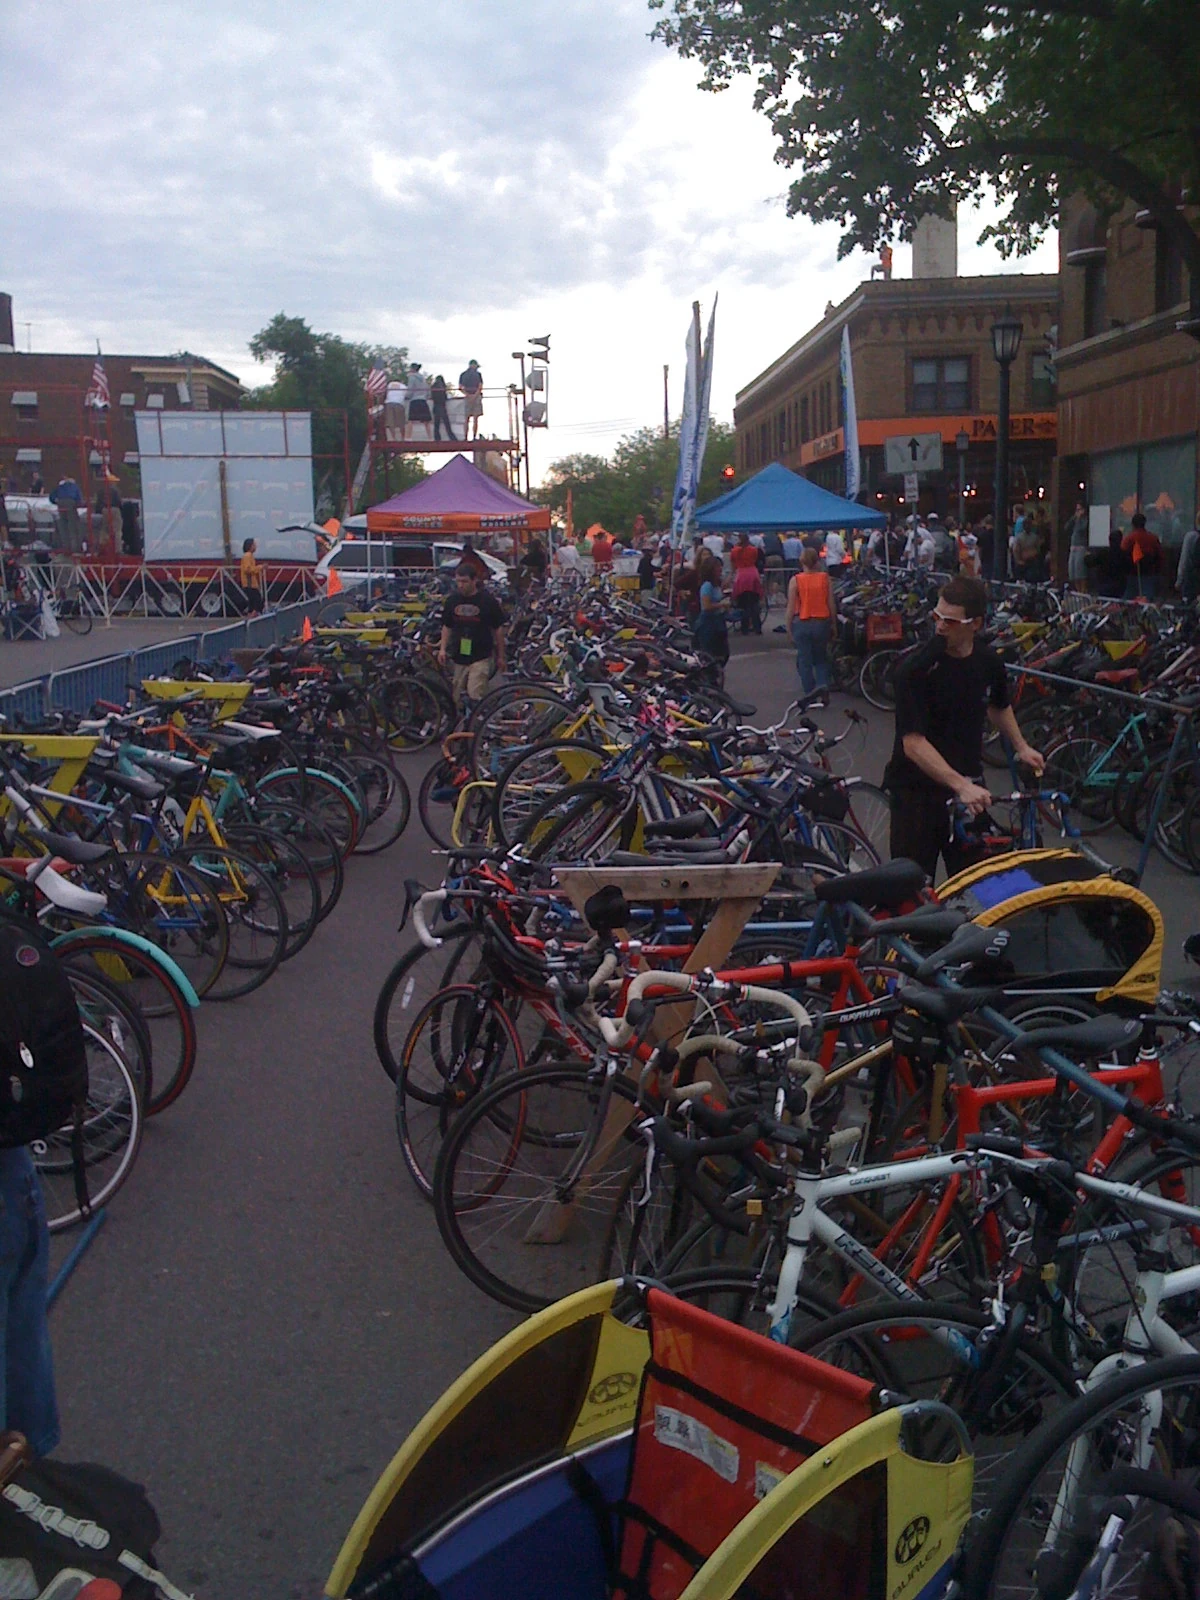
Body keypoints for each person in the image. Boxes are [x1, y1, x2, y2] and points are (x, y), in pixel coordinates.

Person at [884, 575, 1045, 881]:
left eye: (951, 621)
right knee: (913, 888)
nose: (941, 627)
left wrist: (1022, 746)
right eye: (937, 617)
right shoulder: (914, 669)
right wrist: (960, 785)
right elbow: (913, 744)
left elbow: (999, 705)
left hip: (968, 789)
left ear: (976, 624)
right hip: (917, 793)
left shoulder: (987, 662)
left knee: (978, 885)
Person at [438, 559, 506, 708]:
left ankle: (477, 724)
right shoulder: (452, 600)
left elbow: (498, 629)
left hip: (481, 655)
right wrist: (442, 649)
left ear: (475, 580)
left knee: (475, 693)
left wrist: (501, 656)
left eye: (465, 581)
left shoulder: (487, 601)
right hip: (459, 655)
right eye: (458, 581)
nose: (461, 585)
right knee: (456, 697)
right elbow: (447, 626)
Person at [786, 547, 836, 694]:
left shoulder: (795, 580)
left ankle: (810, 692)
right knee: (821, 658)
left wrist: (788, 627)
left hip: (802, 622)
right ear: (817, 561)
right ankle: (822, 687)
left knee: (804, 659)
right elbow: (830, 603)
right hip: (822, 621)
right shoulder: (825, 578)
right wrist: (833, 623)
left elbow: (791, 606)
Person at [693, 554, 730, 665]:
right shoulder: (707, 586)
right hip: (708, 622)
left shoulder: (716, 585)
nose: (720, 570)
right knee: (710, 652)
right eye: (717, 567)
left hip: (718, 620)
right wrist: (721, 604)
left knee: (722, 652)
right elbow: (706, 606)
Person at [1122, 511, 1163, 599]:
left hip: (1132, 573)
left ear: (1132, 524)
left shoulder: (1129, 538)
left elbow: (1122, 553)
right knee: (1147, 600)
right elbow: (1160, 555)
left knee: (1128, 599)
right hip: (1149, 573)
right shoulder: (1153, 538)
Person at [729, 531, 763, 634]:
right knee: (754, 603)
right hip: (753, 574)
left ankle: (745, 628)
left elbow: (733, 565)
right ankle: (757, 627)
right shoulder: (754, 550)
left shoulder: (734, 551)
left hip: (741, 575)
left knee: (742, 604)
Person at [48, 475, 83, 555]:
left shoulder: (60, 487)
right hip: (71, 504)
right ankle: (74, 548)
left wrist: (56, 501)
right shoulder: (75, 486)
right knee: (72, 527)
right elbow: (79, 498)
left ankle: (65, 547)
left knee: (63, 526)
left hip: (61, 504)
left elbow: (51, 497)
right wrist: (79, 505)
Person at [1066, 501, 1089, 589]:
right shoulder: (1074, 519)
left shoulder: (1085, 520)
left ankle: (1082, 591)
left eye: (1080, 509)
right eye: (1077, 510)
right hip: (1073, 547)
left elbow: (1082, 529)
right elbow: (1067, 527)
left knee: (1080, 572)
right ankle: (1077, 590)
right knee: (1073, 572)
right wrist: (1073, 518)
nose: (1078, 512)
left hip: (1081, 547)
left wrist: (1079, 519)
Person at [1176, 521, 1200, 606]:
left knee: (1189, 609)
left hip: (1192, 580)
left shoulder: (1191, 536)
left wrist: (1179, 580)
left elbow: (1184, 559)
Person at [459, 360, 484, 440]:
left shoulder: (463, 374)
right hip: (476, 397)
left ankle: (465, 437)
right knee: (475, 418)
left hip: (467, 397)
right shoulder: (478, 374)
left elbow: (460, 387)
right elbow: (480, 386)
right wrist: (475, 395)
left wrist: (467, 394)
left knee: (467, 418)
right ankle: (474, 437)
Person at [239, 537, 264, 612]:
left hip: (251, 583)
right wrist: (260, 567)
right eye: (254, 545)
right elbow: (248, 569)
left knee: (253, 603)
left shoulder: (249, 556)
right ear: (250, 546)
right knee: (257, 602)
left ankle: (250, 618)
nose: (255, 546)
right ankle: (252, 618)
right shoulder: (247, 556)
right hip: (249, 584)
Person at [431, 375, 456, 442]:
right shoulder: (442, 387)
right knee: (446, 424)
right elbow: (445, 397)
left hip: (436, 406)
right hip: (442, 406)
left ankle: (437, 438)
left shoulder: (433, 387)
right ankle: (452, 438)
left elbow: (432, 397)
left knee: (437, 424)